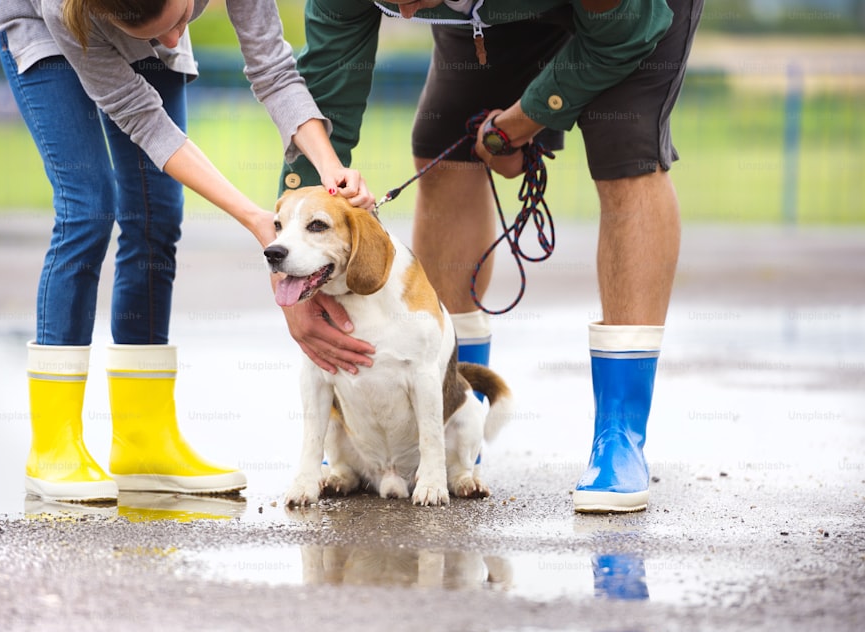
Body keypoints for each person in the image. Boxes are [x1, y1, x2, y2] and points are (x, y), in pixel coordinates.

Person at [278, 0, 704, 513]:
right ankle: (457, 425)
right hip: (485, 20)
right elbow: (323, 102)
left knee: (625, 148)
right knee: (443, 143)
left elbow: (622, 33)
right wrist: (298, 283)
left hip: (628, 16)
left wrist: (527, 120)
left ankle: (620, 435)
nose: (407, 12)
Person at [0, 0, 373, 503]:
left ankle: (144, 440)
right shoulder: (68, 9)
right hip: (46, 28)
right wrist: (259, 220)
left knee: (156, 216)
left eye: (181, 19)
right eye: (163, 29)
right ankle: (54, 447)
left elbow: (274, 71)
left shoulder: (166, 31)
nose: (173, 42)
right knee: (88, 207)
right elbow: (146, 122)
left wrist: (329, 166)